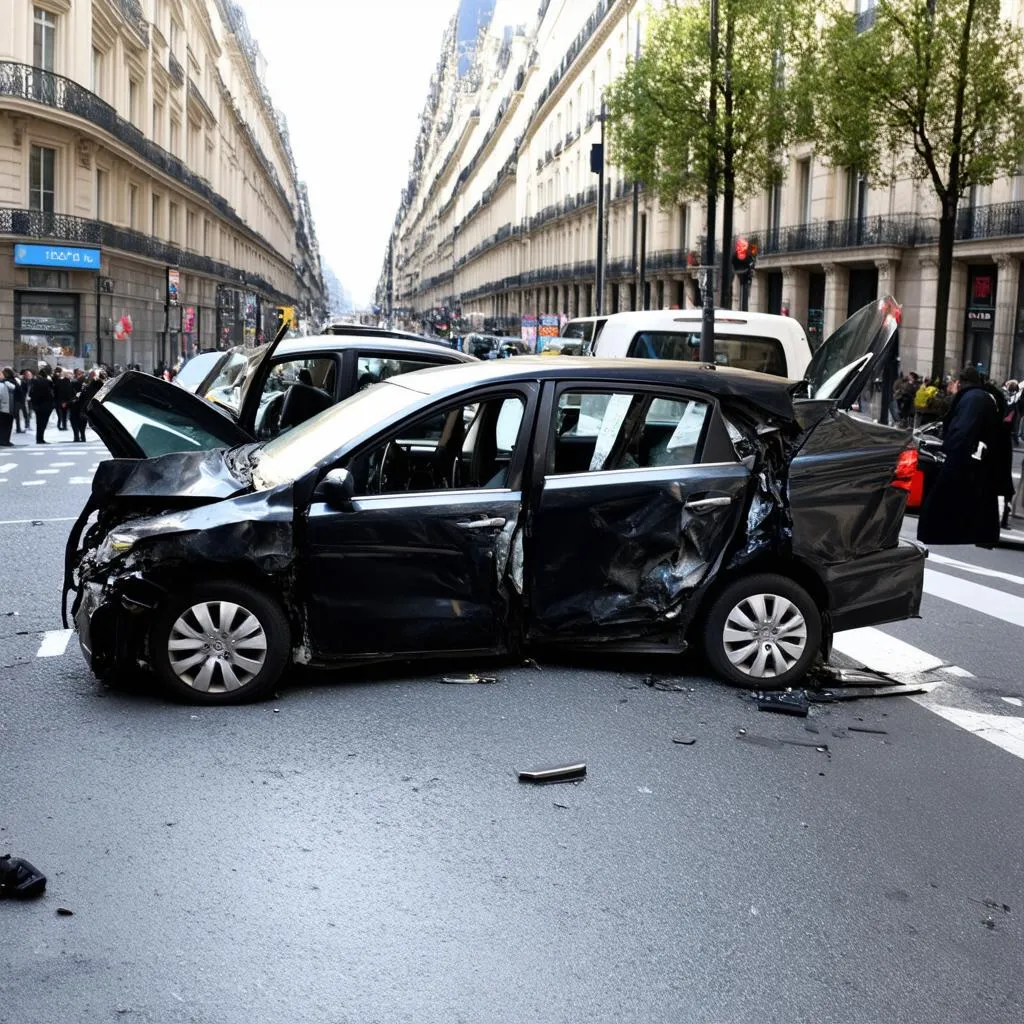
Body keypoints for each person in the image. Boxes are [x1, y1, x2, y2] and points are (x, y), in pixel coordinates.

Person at [917, 366, 1011, 548]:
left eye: (952, 383)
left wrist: (951, 449)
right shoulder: (979, 398)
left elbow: (963, 431)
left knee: (944, 505)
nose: (950, 387)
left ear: (959, 383)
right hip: (975, 463)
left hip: (965, 461)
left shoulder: (973, 399)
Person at [28, 367, 54, 444]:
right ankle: (41, 438)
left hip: (37, 406)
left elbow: (31, 394)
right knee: (44, 422)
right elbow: (52, 393)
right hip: (47, 405)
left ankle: (38, 438)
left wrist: (33, 404)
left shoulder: (34, 382)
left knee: (38, 423)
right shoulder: (48, 382)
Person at [68, 367, 87, 442]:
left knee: (74, 420)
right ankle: (82, 435)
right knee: (82, 420)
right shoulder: (85, 382)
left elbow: (68, 393)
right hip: (82, 404)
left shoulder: (71, 382)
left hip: (74, 403)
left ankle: (76, 436)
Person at [0, 368, 17, 447]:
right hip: (9, 407)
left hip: (4, 407)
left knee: (4, 425)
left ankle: (4, 440)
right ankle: (6, 440)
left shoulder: (3, 384)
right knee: (7, 425)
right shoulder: (12, 383)